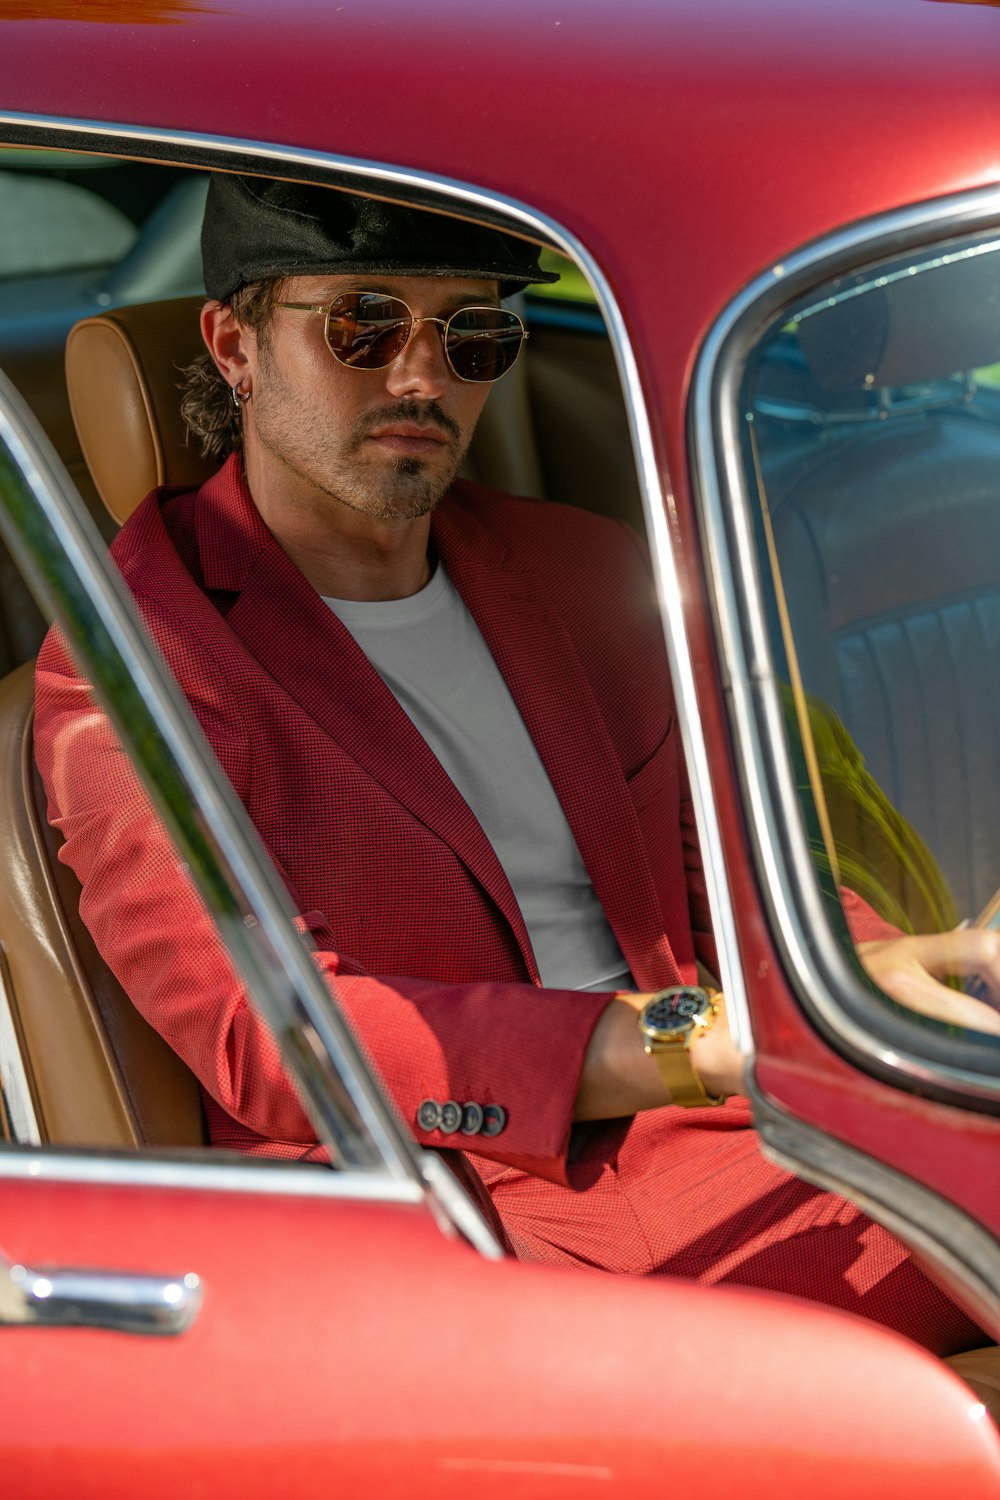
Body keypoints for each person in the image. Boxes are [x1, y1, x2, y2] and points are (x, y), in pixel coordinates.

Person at [33, 174, 1000, 1359]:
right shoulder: (142, 656)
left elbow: (736, 883)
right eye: (363, 326)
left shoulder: (586, 573)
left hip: (727, 1132)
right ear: (235, 343)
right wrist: (686, 1043)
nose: (421, 377)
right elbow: (273, 1029)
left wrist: (908, 979)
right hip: (458, 1217)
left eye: (473, 334)